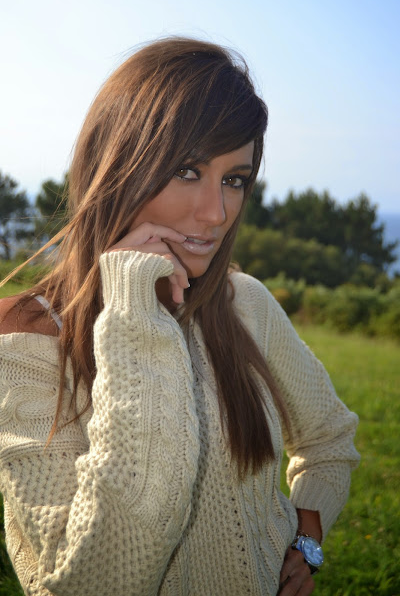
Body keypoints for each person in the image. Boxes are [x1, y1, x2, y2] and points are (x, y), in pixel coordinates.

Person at [0, 37, 360, 596]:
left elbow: (329, 438)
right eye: (187, 170)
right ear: (115, 166)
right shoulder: (25, 340)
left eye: (234, 179)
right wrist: (133, 313)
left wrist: (306, 535)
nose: (216, 213)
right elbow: (90, 584)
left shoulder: (245, 303)